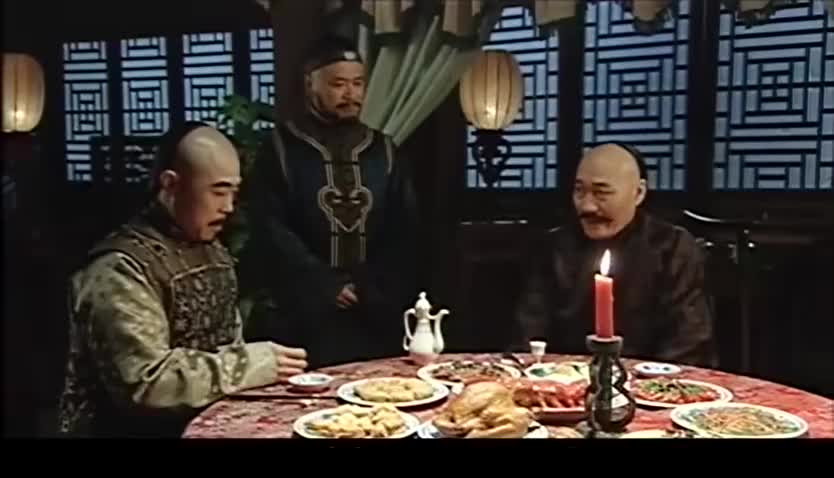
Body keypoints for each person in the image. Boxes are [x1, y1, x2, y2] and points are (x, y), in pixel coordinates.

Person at [56, 122, 308, 438]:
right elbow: (146, 383)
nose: (229, 207)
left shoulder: (212, 250)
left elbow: (229, 343)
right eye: (218, 191)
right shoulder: (120, 267)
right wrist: (249, 365)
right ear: (171, 184)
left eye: (233, 192)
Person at [234, 36, 418, 369]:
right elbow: (270, 226)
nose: (351, 94)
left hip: (374, 307)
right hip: (305, 309)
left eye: (358, 84)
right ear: (311, 85)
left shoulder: (383, 150)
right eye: (338, 84)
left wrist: (368, 286)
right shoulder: (281, 148)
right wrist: (325, 284)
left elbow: (404, 228)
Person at [513, 143, 716, 367]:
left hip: (648, 380)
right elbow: (527, 335)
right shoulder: (553, 246)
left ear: (638, 193)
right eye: (579, 191)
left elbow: (687, 343)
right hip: (562, 380)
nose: (587, 206)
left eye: (601, 193)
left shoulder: (672, 246)